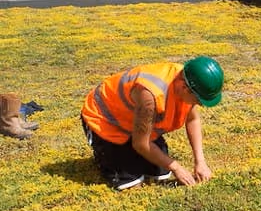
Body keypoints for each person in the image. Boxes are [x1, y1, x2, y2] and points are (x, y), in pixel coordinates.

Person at [80, 56, 224, 191]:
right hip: (105, 120)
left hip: (136, 121)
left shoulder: (188, 79)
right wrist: (177, 168)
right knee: (131, 183)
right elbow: (141, 144)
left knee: (159, 175)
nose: (200, 105)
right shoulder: (150, 96)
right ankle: (104, 153)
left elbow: (193, 119)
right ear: (184, 87)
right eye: (199, 100)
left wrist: (200, 162)